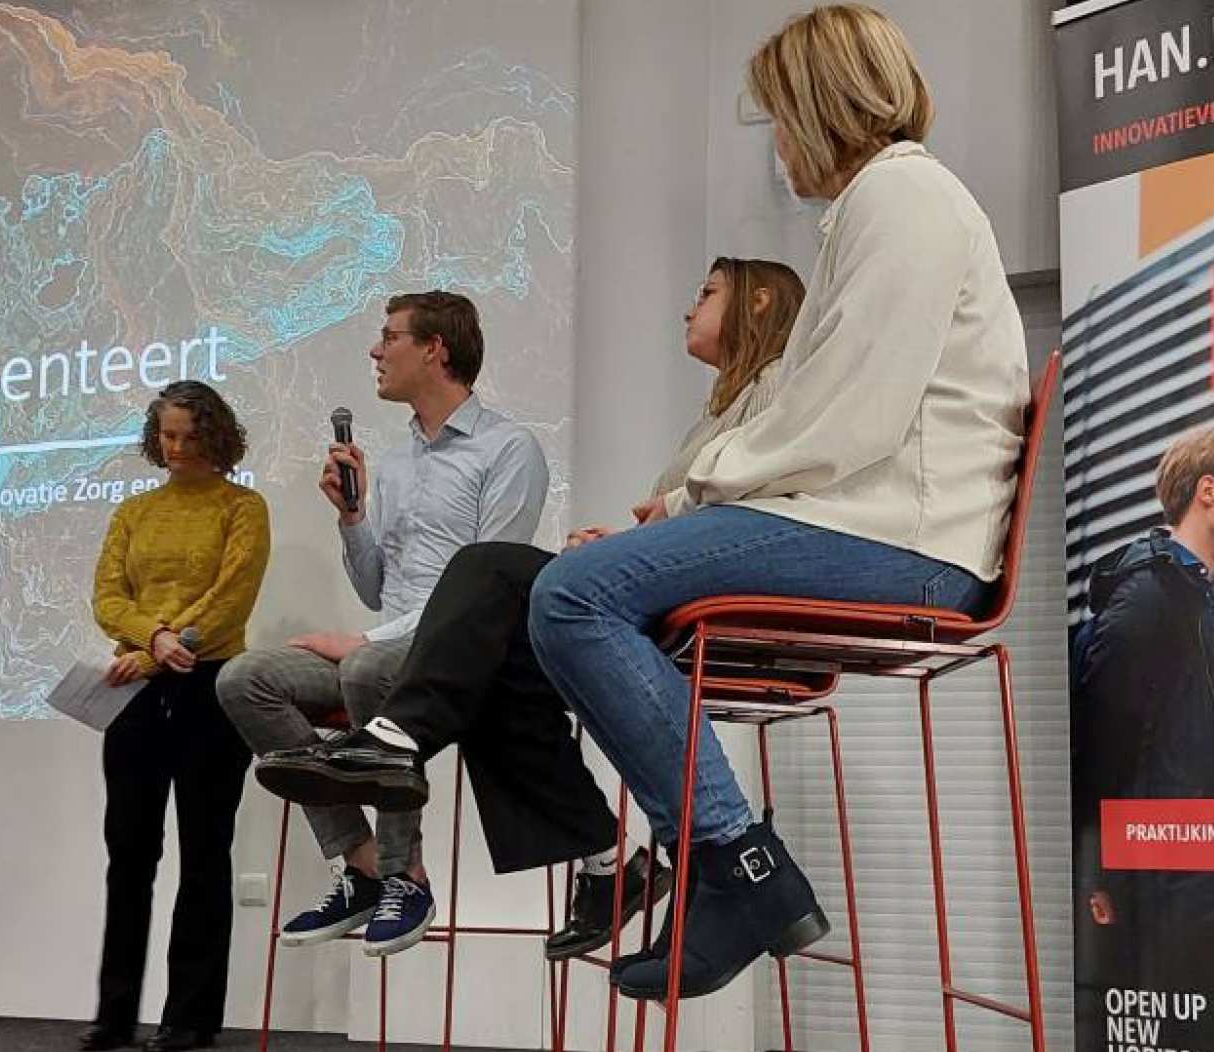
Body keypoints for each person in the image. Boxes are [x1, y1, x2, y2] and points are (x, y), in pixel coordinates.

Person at [531, 5, 1026, 1001]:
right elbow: (819, 408)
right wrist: (684, 498)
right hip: (880, 521)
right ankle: (734, 866)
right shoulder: (880, 205)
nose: (775, 150)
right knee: (576, 592)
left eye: (777, 121)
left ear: (818, 104)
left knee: (572, 597)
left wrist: (692, 495)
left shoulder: (902, 197)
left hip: (904, 537)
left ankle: (733, 862)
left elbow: (848, 416)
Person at [254, 258, 808, 962]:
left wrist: (647, 532)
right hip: (656, 592)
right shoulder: (723, 409)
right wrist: (354, 519)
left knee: (485, 582)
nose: (687, 306)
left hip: (712, 600)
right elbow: (702, 516)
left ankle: (402, 758)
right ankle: (611, 866)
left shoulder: (780, 394)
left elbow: (753, 507)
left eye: (706, 293)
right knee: (467, 661)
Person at [215, 291, 548, 958]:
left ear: (435, 349)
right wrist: (351, 519)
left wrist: (366, 643)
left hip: (463, 661)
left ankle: (406, 874)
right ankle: (361, 864)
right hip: (392, 644)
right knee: (243, 679)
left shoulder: (509, 449)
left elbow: (486, 594)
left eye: (388, 336)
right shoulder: (395, 463)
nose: (374, 350)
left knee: (368, 666)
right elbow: (375, 593)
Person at [83, 382, 269, 1052]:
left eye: (192, 435)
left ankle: (190, 1017)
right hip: (133, 686)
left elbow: (231, 600)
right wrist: (150, 638)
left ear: (217, 435)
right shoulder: (133, 511)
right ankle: (115, 1013)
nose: (179, 447)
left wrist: (162, 649)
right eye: (168, 436)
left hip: (209, 687)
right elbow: (107, 595)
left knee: (203, 852)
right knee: (128, 854)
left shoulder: (243, 508)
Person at [1073, 427, 1214, 935]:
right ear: (1208, 491)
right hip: (1179, 870)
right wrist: (1099, 874)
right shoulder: (1146, 601)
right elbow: (1101, 749)